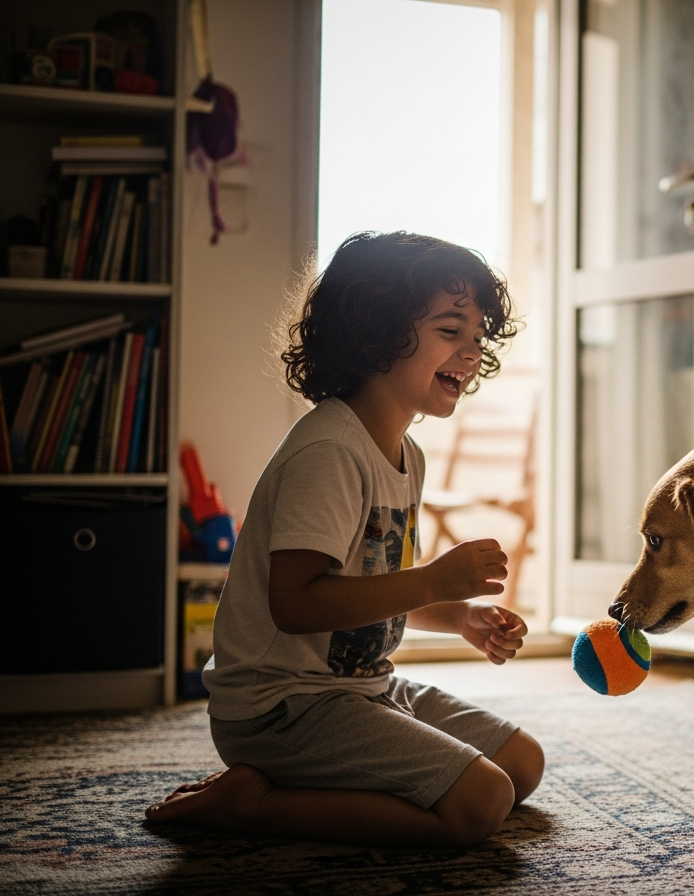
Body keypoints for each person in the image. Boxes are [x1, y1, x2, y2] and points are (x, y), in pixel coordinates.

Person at [146, 232, 542, 848]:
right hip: (281, 708)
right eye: (450, 329)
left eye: (478, 334)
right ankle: (253, 805)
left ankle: (332, 781)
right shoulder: (330, 449)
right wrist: (437, 577)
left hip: (359, 687)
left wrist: (462, 615)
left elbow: (375, 590)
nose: (472, 350)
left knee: (523, 764)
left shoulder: (407, 454)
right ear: (376, 334)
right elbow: (298, 604)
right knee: (481, 803)